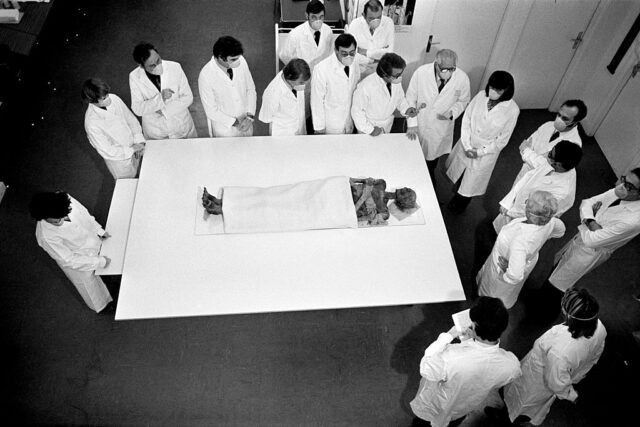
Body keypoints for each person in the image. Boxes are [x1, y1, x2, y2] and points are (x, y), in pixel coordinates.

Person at [538, 168, 640, 318]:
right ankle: (541, 296)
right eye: (624, 179)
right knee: (557, 264)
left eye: (629, 186)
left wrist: (590, 216)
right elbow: (587, 202)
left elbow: (592, 241)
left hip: (591, 252)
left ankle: (545, 312)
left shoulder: (634, 220)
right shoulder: (620, 192)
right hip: (582, 238)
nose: (621, 186)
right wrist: (591, 222)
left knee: (561, 282)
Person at [410, 296, 521, 427]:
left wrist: (448, 335)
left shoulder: (450, 357)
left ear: (473, 326)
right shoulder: (511, 364)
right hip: (463, 408)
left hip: (438, 406)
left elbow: (426, 367)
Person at [501, 288, 606, 426]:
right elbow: (592, 359)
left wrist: (571, 395)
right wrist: (577, 375)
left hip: (535, 382)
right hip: (551, 372)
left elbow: (556, 382)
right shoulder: (599, 327)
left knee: (519, 404)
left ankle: (504, 419)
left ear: (570, 317)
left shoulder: (560, 352)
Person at [202, 177, 417, 228]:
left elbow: (358, 221)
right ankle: (224, 199)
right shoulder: (380, 184)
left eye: (407, 194)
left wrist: (363, 194)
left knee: (275, 211)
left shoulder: (384, 213)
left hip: (331, 207)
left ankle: (222, 211)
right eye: (408, 189)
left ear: (403, 202)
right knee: (275, 194)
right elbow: (352, 180)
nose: (405, 190)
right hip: (328, 190)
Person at [445, 71, 519, 213]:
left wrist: (479, 152)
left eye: (498, 90)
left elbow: (502, 140)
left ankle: (460, 206)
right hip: (467, 142)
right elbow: (466, 119)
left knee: (470, 184)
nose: (493, 92)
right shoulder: (480, 96)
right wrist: (467, 145)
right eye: (492, 87)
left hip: (486, 152)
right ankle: (455, 195)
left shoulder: (512, 110)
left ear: (507, 91)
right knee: (459, 175)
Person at [477, 191, 565, 309]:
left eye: (527, 202)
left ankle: (488, 305)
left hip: (504, 268)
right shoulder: (550, 221)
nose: (525, 202)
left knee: (493, 293)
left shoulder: (520, 241)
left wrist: (506, 272)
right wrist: (543, 237)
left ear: (529, 212)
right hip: (526, 260)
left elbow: (515, 275)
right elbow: (561, 231)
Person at [30, 192, 113, 313]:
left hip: (91, 241)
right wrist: (99, 261)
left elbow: (84, 214)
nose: (62, 220)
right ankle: (103, 306)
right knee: (90, 286)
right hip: (77, 259)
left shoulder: (65, 199)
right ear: (42, 217)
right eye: (57, 220)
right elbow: (68, 260)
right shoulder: (46, 236)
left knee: (107, 268)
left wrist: (99, 230)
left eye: (64, 216)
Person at [406, 49, 470, 180]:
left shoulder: (462, 78)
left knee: (431, 161)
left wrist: (452, 112)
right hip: (419, 122)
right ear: (436, 64)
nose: (449, 72)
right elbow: (410, 98)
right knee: (410, 157)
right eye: (445, 69)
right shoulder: (421, 73)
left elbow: (463, 100)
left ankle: (428, 183)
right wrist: (412, 124)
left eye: (452, 68)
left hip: (440, 127)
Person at [492, 140, 583, 233]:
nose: (548, 153)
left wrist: (510, 211)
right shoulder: (562, 165)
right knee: (501, 225)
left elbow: (535, 213)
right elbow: (537, 164)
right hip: (516, 204)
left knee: (509, 233)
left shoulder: (562, 192)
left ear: (558, 164)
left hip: (525, 216)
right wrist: (525, 150)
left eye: (550, 154)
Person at [129, 42, 197, 140]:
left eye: (158, 60)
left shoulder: (175, 67)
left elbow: (188, 97)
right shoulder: (135, 77)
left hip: (181, 126)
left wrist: (165, 111)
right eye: (152, 65)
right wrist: (160, 99)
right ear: (141, 66)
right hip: (156, 132)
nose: (158, 65)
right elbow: (137, 108)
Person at [83, 78, 146, 179]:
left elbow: (131, 120)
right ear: (93, 101)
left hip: (135, 145)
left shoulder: (114, 98)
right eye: (104, 98)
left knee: (143, 173)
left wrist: (139, 141)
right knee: (128, 184)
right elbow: (107, 150)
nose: (109, 99)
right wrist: (131, 150)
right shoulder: (92, 123)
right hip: (120, 161)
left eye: (107, 95)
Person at [198, 36, 257, 137]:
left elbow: (250, 89)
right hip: (225, 129)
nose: (238, 61)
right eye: (233, 59)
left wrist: (250, 116)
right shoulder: (206, 75)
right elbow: (211, 110)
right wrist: (235, 122)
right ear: (221, 57)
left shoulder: (240, 60)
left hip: (246, 122)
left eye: (238, 58)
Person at [514, 100, 586, 182]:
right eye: (559, 114)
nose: (559, 119)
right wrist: (528, 153)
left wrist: (527, 153)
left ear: (575, 122)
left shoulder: (574, 144)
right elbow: (525, 145)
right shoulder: (549, 125)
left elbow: (550, 168)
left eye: (565, 118)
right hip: (526, 170)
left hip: (541, 180)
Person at [351, 52, 417, 136]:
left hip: (387, 124)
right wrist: (370, 130)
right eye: (397, 75)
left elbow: (400, 99)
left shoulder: (395, 81)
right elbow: (357, 112)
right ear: (385, 74)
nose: (399, 77)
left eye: (400, 74)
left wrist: (406, 109)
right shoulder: (365, 87)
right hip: (368, 127)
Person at [311, 33, 361, 134]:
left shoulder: (354, 62)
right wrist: (319, 127)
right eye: (344, 53)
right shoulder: (321, 69)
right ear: (336, 50)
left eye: (352, 53)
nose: (348, 56)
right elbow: (316, 100)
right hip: (332, 123)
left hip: (350, 120)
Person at [259, 59, 311, 136]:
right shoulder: (273, 91)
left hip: (299, 132)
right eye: (301, 82)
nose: (303, 85)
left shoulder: (292, 77)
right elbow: (266, 117)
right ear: (290, 77)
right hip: (282, 135)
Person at [279, 0, 333, 71]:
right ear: (307, 15)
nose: (318, 20)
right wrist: (297, 70)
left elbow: (329, 53)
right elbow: (284, 56)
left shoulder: (328, 31)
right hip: (303, 75)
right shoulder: (295, 34)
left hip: (322, 73)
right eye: (314, 17)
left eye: (321, 17)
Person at [347, 0, 394, 78]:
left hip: (381, 69)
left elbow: (389, 52)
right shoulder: (355, 25)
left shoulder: (388, 23)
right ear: (364, 15)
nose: (376, 21)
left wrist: (366, 52)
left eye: (379, 17)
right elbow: (351, 53)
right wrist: (373, 60)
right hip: (360, 69)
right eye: (371, 18)